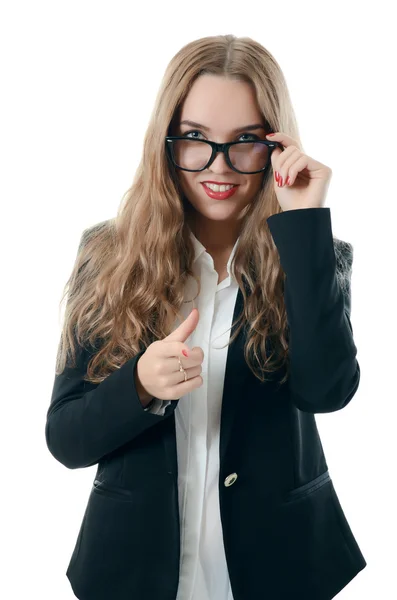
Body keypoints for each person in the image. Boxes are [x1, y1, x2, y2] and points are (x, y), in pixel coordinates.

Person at [45, 34, 367, 600]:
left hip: (278, 566)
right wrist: (139, 385)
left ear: (277, 146)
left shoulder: (312, 251)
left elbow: (328, 391)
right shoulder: (108, 254)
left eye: (245, 142)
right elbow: (66, 439)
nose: (220, 166)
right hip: (135, 571)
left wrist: (305, 224)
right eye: (196, 139)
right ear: (165, 142)